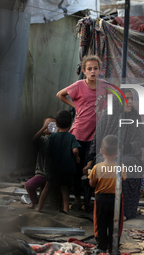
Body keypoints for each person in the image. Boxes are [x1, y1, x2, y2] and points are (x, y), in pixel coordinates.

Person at [56, 55, 109, 210]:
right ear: (84, 71)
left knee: (92, 168)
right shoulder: (79, 85)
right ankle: (78, 199)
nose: (93, 71)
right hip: (79, 132)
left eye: (95, 68)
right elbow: (60, 94)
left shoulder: (105, 86)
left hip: (97, 134)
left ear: (99, 70)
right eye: (89, 69)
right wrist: (74, 106)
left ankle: (88, 201)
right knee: (77, 169)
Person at [84, 89, 144, 219]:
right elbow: (97, 139)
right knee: (107, 164)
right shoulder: (108, 115)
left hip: (127, 153)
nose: (130, 102)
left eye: (131, 99)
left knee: (127, 165)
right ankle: (106, 209)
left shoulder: (135, 116)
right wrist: (90, 159)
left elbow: (138, 141)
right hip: (106, 152)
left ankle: (125, 211)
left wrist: (124, 147)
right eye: (126, 98)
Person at [36, 110, 80, 213]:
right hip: (66, 168)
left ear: (56, 124)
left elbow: (47, 150)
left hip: (53, 167)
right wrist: (77, 157)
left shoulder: (52, 137)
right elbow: (75, 150)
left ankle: (39, 207)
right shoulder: (71, 137)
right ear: (70, 124)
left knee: (47, 187)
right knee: (64, 189)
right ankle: (65, 209)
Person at [88, 135, 125, 254]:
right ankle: (114, 247)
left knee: (100, 222)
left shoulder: (97, 168)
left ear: (101, 151)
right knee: (115, 223)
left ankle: (101, 246)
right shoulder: (121, 167)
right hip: (117, 199)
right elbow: (122, 179)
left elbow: (92, 184)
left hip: (101, 199)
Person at [25, 116, 56, 209]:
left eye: (54, 125)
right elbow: (34, 140)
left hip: (55, 174)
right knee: (29, 185)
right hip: (42, 173)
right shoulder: (42, 140)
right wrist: (43, 127)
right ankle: (34, 202)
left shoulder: (59, 139)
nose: (51, 127)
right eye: (48, 125)